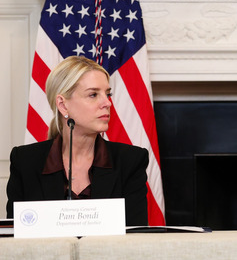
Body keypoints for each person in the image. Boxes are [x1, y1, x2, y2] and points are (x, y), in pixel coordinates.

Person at [6, 56, 149, 226]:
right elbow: (15, 237)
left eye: (108, 94)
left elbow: (135, 237)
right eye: (93, 94)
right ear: (63, 105)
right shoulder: (25, 161)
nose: (107, 103)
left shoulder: (131, 161)